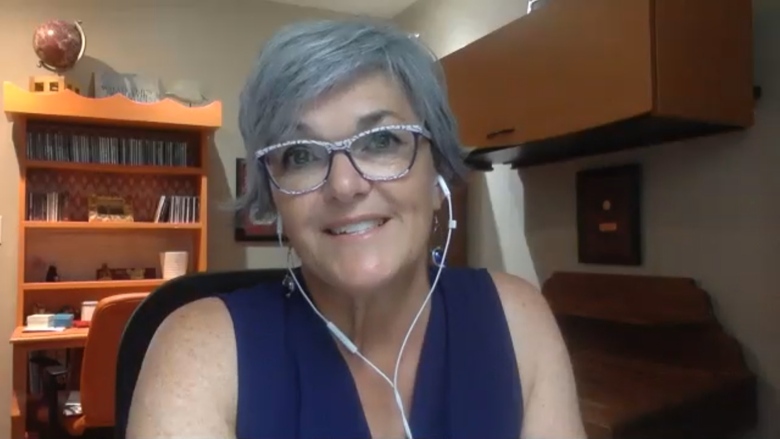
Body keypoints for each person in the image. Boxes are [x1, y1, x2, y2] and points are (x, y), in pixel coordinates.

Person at [126, 18, 585, 439]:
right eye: (302, 155)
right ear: (274, 196)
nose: (344, 185)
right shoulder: (200, 352)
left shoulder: (517, 321)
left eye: (381, 141)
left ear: (437, 170)